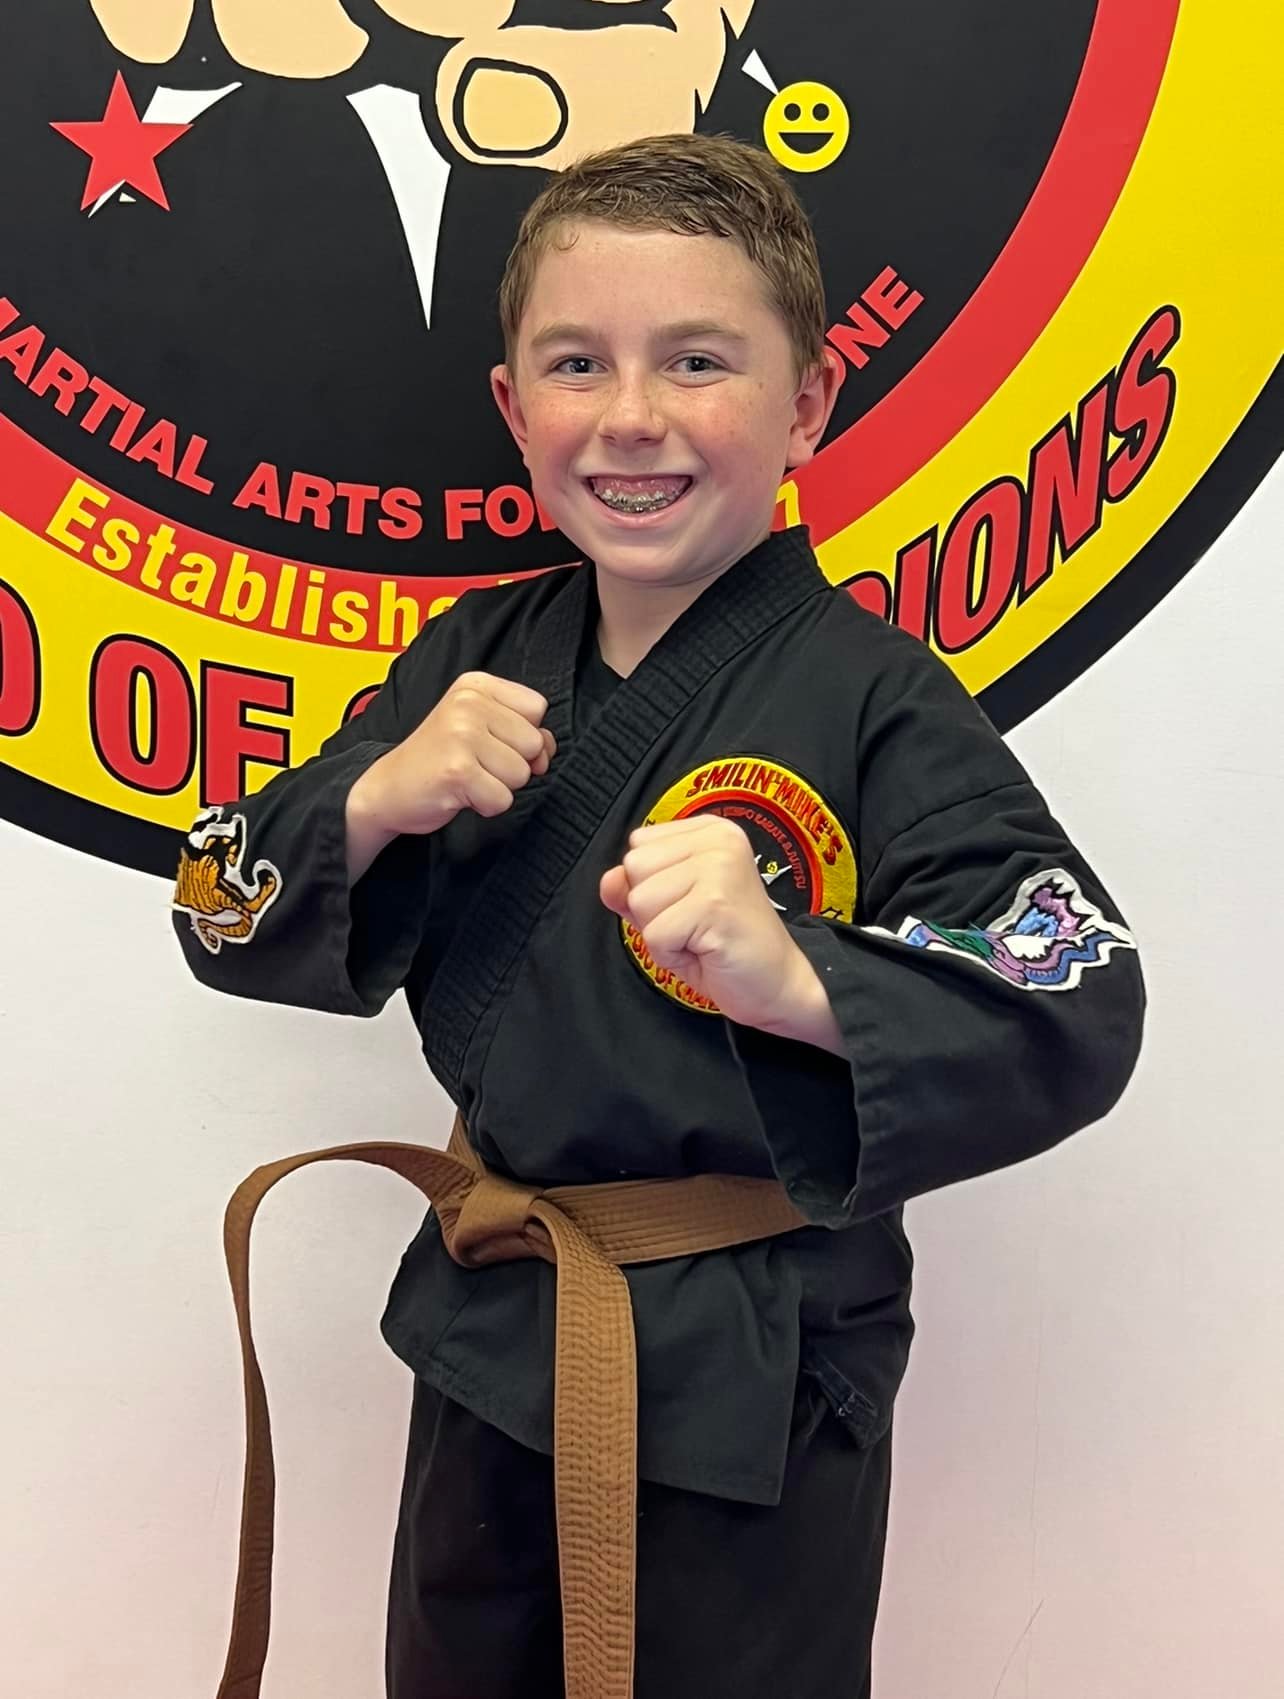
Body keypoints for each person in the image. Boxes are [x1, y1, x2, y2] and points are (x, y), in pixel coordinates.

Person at [173, 132, 1145, 1699]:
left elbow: (1079, 992)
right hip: (496, 1328)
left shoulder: (877, 700)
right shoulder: (469, 665)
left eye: (698, 361)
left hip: (755, 1372)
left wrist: (802, 978)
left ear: (807, 403)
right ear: (515, 410)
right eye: (579, 364)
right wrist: (369, 801)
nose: (632, 417)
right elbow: (216, 904)